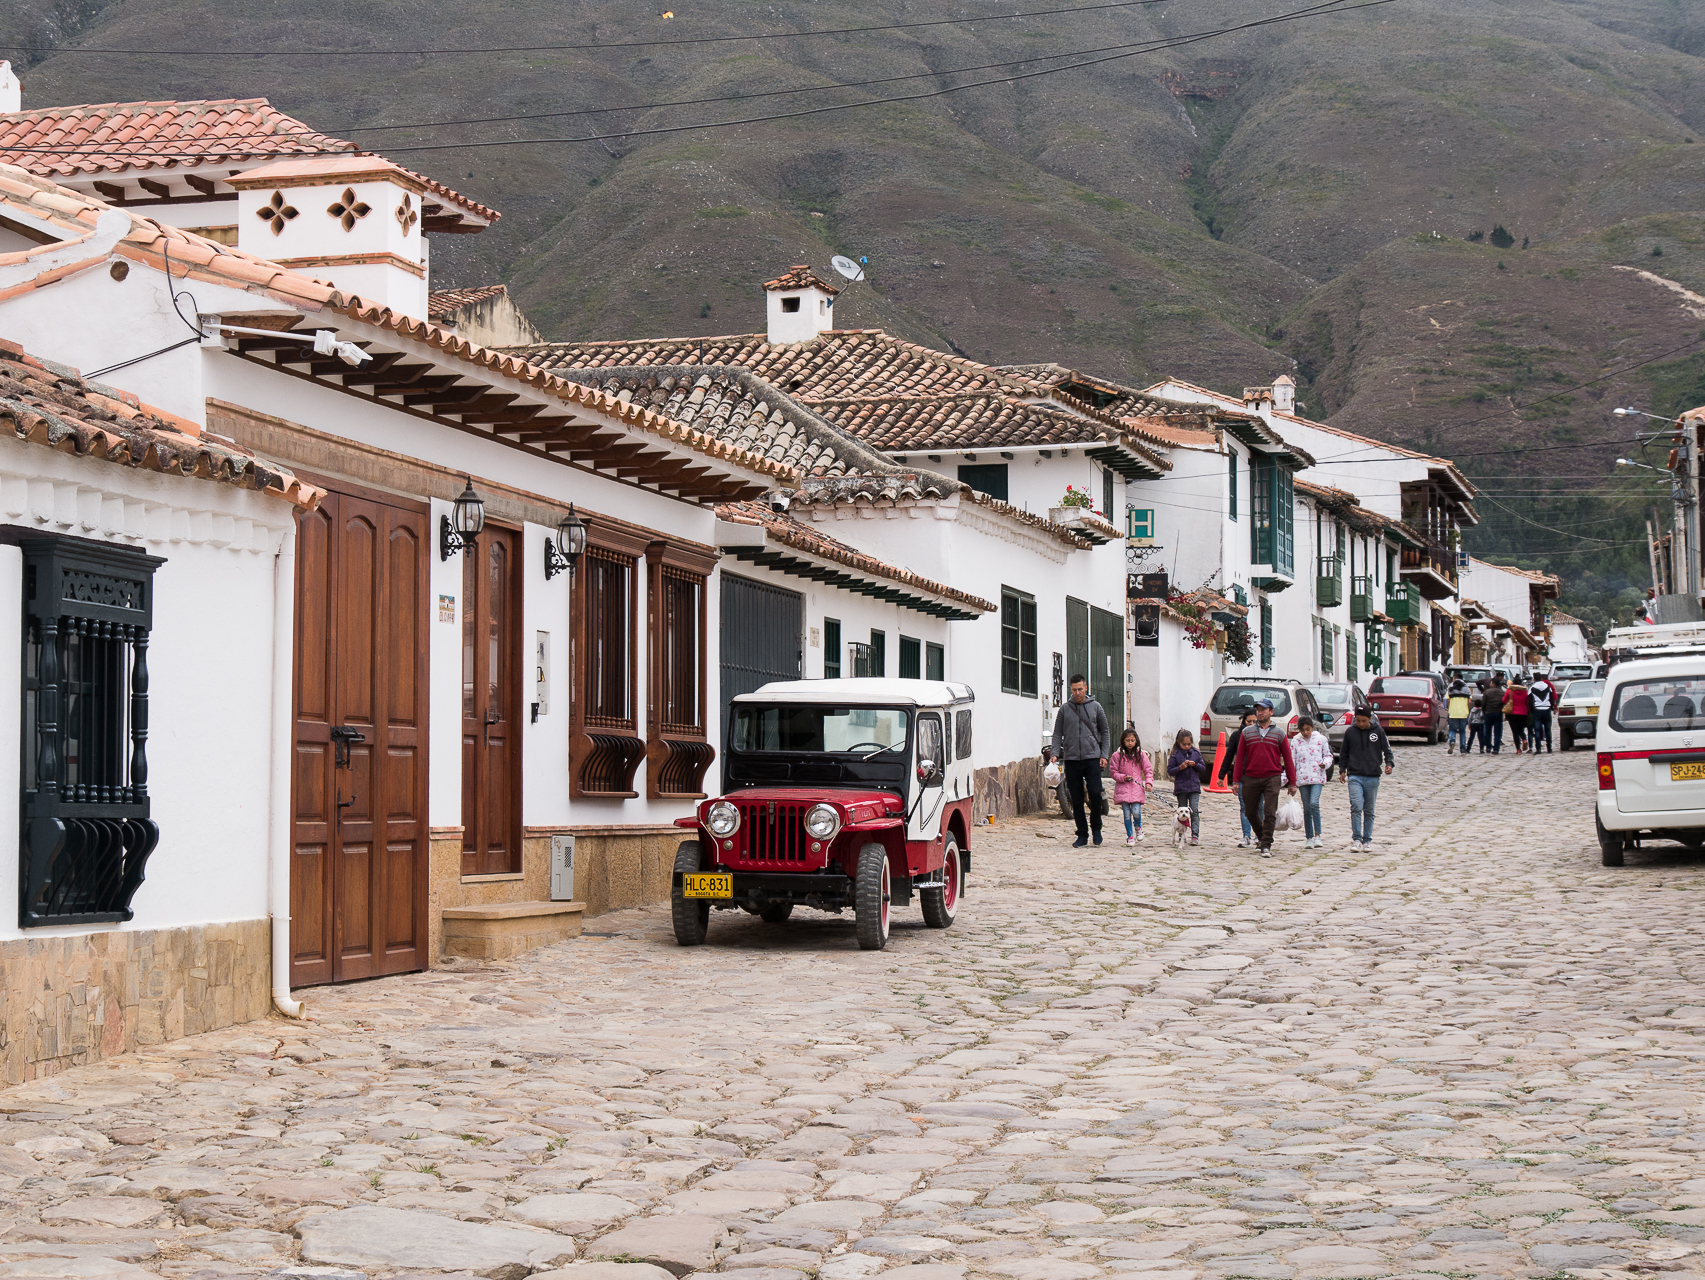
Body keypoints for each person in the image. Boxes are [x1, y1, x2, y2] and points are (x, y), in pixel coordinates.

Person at [1231, 699, 1298, 858]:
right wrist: (1235, 781)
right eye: (1258, 710)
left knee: (1269, 811)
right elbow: (1239, 758)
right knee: (1250, 811)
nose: (1260, 713)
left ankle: (1266, 845)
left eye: (1263, 710)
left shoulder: (1279, 733)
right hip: (1251, 777)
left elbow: (1288, 759)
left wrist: (1292, 782)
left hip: (1272, 777)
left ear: (1271, 712)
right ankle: (1262, 836)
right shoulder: (1247, 732)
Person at [1050, 674, 1111, 847]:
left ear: (1086, 688)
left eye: (1080, 689)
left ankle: (1097, 829)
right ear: (1071, 689)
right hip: (1071, 758)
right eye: (1074, 690)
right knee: (1076, 798)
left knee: (1095, 793)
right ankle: (1082, 834)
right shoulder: (1064, 709)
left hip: (1092, 757)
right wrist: (1055, 752)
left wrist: (1104, 754)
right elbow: (1057, 733)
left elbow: (1105, 732)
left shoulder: (1096, 707)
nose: (1077, 693)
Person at [1339, 707, 1394, 850]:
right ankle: (1356, 838)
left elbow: (1387, 750)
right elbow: (1344, 752)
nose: (1361, 724)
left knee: (1369, 810)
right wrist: (1342, 770)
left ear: (1370, 719)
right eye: (1358, 721)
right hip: (1355, 775)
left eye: (1364, 721)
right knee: (1356, 806)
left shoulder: (1378, 732)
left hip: (1372, 776)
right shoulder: (1350, 732)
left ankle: (1367, 840)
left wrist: (1389, 764)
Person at [1291, 715, 1334, 850]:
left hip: (1317, 777)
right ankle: (1309, 837)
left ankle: (1318, 835)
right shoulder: (1295, 742)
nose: (1305, 733)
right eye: (1302, 730)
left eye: (1308, 729)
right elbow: (1292, 761)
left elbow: (1328, 756)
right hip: (1302, 779)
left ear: (1313, 728)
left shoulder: (1321, 740)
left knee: (1314, 803)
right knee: (1307, 807)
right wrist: (1289, 780)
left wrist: (1325, 764)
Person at [1220, 710, 1259, 848]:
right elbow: (1229, 756)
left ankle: (1259, 835)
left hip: (1259, 775)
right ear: (1244, 721)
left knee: (1260, 807)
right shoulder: (1237, 736)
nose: (1252, 724)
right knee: (1245, 807)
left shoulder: (1262, 734)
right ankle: (1246, 835)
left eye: (1255, 721)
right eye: (1249, 721)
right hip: (1243, 776)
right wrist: (1221, 775)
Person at [1165, 729, 1210, 846]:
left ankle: (1195, 834)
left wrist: (1195, 765)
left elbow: (1203, 768)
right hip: (1181, 787)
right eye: (1184, 744)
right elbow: (1170, 770)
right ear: (1179, 743)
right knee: (1182, 811)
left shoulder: (1196, 753)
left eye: (1188, 744)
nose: (1186, 746)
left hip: (1194, 786)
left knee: (1194, 811)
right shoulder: (1175, 754)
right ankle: (1181, 834)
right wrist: (1180, 767)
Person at [1109, 728, 1153, 847]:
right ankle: (1130, 836)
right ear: (1123, 741)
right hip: (1123, 789)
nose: (1129, 743)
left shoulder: (1141, 755)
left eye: (1132, 740)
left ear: (1136, 741)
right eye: (1127, 740)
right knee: (1127, 814)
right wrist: (1123, 777)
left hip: (1136, 789)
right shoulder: (1117, 755)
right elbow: (1113, 772)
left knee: (1136, 812)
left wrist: (1148, 783)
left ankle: (1138, 827)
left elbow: (1148, 770)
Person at [1528, 673, 1555, 753]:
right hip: (1546, 709)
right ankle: (1549, 747)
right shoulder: (1547, 686)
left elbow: (1529, 701)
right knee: (1548, 729)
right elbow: (1551, 698)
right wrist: (1552, 707)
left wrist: (1532, 710)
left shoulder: (1532, 688)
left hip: (1537, 710)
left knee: (1537, 730)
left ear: (1534, 679)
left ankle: (1538, 748)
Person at [1504, 678, 1530, 754]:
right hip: (1522, 713)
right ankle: (1524, 739)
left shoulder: (1510, 690)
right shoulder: (1525, 691)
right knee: (1521, 730)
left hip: (1512, 713)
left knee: (1515, 732)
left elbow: (1504, 700)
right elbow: (1527, 703)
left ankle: (1518, 749)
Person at [1446, 678, 1471, 756]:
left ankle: (1452, 741)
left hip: (1453, 713)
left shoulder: (1450, 689)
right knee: (1462, 731)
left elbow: (1448, 701)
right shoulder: (1467, 690)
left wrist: (1449, 708)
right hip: (1463, 713)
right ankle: (1463, 748)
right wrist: (1468, 710)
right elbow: (1469, 702)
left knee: (1452, 729)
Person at [1484, 675, 1505, 754]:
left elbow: (1484, 703)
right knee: (1497, 732)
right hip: (1498, 712)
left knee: (1487, 731)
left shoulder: (1487, 692)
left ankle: (1488, 747)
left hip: (1488, 712)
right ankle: (1496, 748)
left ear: (1493, 683)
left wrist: (1484, 711)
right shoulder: (1502, 692)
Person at [1469, 681, 1487, 754]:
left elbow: (1470, 718)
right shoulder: (1481, 710)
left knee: (1471, 737)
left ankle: (1468, 748)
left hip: (1473, 724)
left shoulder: (1472, 710)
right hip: (1480, 724)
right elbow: (1482, 716)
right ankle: (1481, 749)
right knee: (1480, 737)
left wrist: (1469, 724)